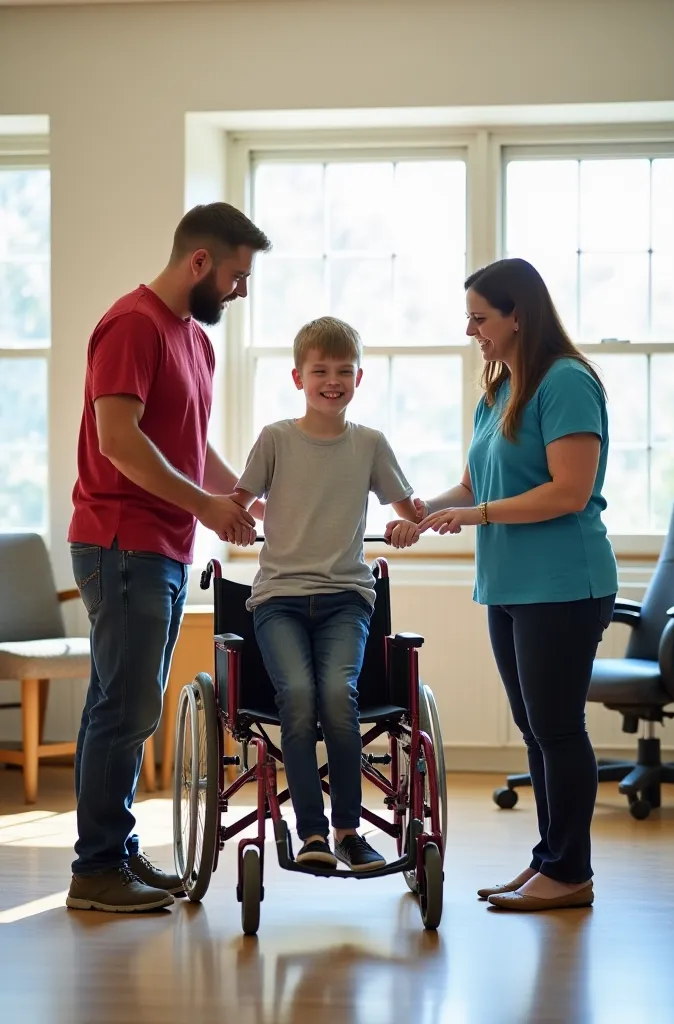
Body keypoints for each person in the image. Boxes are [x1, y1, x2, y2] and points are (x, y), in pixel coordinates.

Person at [387, 257, 618, 911]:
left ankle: (570, 873)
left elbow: (569, 491)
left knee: (557, 727)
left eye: (480, 317)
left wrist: (475, 514)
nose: (470, 330)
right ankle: (550, 861)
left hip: (565, 583)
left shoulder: (567, 383)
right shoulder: (497, 392)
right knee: (535, 727)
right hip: (511, 583)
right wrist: (425, 511)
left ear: (519, 315)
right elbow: (471, 484)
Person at [66, 203, 271, 913]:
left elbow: (188, 448)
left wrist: (240, 497)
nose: (242, 290)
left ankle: (114, 853)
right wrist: (205, 508)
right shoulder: (132, 325)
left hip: (163, 547)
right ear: (200, 263)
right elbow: (120, 442)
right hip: (120, 541)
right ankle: (94, 870)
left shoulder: (195, 341)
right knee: (124, 708)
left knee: (128, 705)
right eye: (239, 276)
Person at [229, 316, 421, 871]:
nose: (331, 380)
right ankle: (311, 833)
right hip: (279, 601)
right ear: (298, 377)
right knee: (298, 696)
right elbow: (238, 500)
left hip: (345, 600)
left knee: (338, 697)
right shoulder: (275, 439)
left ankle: (347, 832)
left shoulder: (369, 445)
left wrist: (412, 525)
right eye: (320, 371)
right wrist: (233, 518)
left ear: (359, 378)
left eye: (343, 371)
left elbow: (409, 512)